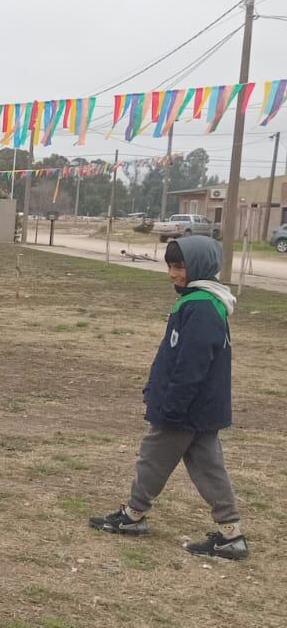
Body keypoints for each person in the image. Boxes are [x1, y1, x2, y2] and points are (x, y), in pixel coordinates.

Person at [89, 236, 245, 559]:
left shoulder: (201, 307)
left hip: (184, 409)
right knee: (208, 467)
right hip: (199, 410)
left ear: (199, 266)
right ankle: (232, 535)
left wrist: (170, 405)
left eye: (179, 266)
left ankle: (133, 515)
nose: (172, 274)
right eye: (171, 266)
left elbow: (191, 365)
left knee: (153, 457)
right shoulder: (200, 302)